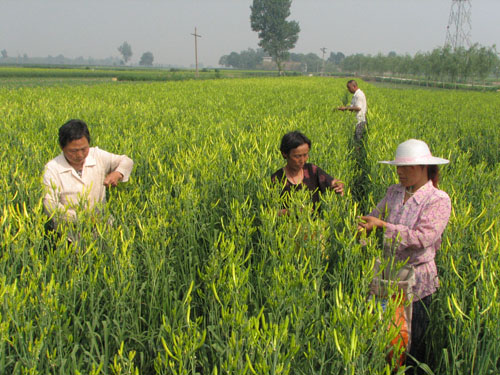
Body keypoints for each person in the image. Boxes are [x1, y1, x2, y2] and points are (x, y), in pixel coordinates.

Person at [357, 139, 451, 372]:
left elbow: (423, 238)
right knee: (384, 342)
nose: (400, 172)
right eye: (398, 167)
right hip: (387, 279)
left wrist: (381, 226)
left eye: (407, 167)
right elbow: (375, 215)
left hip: (417, 284)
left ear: (423, 168)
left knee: (410, 347)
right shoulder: (395, 191)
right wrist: (363, 227)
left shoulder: (438, 199)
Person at [43, 119, 134, 229]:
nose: (80, 155)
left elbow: (126, 161)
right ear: (62, 147)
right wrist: (81, 219)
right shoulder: (52, 168)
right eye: (73, 151)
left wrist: (117, 173)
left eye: (84, 149)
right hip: (69, 233)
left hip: (103, 229)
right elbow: (50, 205)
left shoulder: (96, 155)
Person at [271, 131, 344, 215]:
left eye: (305, 155)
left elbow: (332, 182)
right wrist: (293, 211)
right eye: (297, 156)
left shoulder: (312, 170)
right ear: (285, 154)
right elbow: (270, 212)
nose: (302, 160)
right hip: (289, 226)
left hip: (316, 225)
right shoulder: (277, 179)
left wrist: (338, 185)